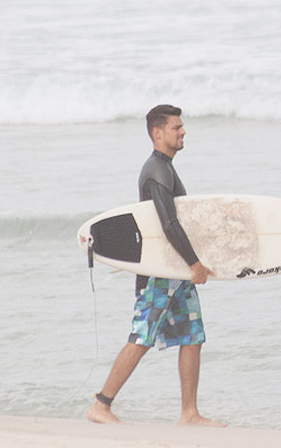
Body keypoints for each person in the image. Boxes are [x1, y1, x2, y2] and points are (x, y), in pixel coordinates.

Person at [87, 104, 225, 427]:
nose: (183, 131)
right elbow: (169, 224)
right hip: (160, 274)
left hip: (175, 272)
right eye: (176, 127)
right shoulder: (157, 170)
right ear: (157, 133)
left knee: (193, 336)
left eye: (182, 126)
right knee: (142, 337)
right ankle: (101, 405)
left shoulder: (166, 168)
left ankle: (189, 413)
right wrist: (196, 264)